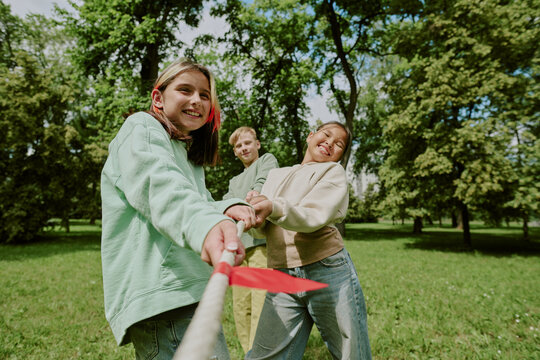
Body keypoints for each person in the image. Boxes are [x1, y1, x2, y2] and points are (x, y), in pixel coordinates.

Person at [100, 58, 257, 360]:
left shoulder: (184, 152)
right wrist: (206, 226)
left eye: (205, 95)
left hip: (184, 290)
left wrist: (228, 206)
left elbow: (193, 200)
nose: (196, 100)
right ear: (158, 97)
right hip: (166, 298)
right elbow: (159, 188)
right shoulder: (141, 128)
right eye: (185, 90)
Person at [245, 122, 372, 360]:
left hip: (327, 270)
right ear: (310, 136)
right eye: (326, 135)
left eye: (339, 144)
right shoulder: (276, 175)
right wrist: (255, 212)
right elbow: (262, 232)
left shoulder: (333, 173)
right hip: (282, 274)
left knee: (351, 352)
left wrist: (272, 205)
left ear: (339, 157)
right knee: (264, 356)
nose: (330, 143)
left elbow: (312, 216)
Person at [223, 127, 279, 354]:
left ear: (257, 144)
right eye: (238, 146)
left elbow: (266, 178)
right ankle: (249, 353)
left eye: (247, 143)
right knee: (240, 305)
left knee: (260, 304)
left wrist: (255, 193)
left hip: (260, 245)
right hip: (239, 248)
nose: (244, 148)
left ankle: (261, 354)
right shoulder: (234, 180)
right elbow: (226, 204)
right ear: (235, 152)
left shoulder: (266, 160)